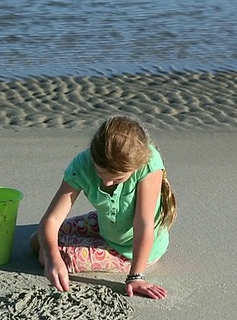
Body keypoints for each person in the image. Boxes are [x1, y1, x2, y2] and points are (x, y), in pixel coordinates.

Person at [30, 115, 177, 300]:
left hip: (132, 250)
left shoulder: (148, 164)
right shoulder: (82, 164)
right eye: (100, 173)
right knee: (37, 241)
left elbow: (144, 224)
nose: (107, 182)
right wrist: (54, 260)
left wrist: (136, 277)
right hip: (105, 224)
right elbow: (51, 220)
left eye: (117, 179)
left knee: (44, 254)